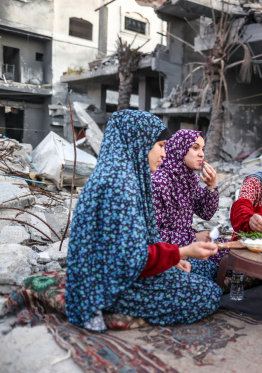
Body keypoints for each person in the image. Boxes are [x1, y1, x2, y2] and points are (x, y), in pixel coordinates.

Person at [65, 110, 222, 332]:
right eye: (159, 145)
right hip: (107, 285)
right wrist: (182, 252)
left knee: (206, 272)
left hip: (119, 270)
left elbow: (136, 244)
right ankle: (108, 308)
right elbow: (130, 260)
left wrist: (172, 259)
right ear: (138, 142)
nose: (164, 154)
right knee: (209, 294)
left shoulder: (123, 175)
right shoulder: (119, 187)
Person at [151, 129, 227, 266]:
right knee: (217, 264)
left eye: (202, 149)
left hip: (187, 242)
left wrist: (211, 186)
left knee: (227, 250)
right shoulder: (159, 181)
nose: (201, 154)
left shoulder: (188, 178)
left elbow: (206, 213)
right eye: (195, 148)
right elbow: (154, 235)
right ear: (180, 149)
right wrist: (193, 238)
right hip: (170, 252)